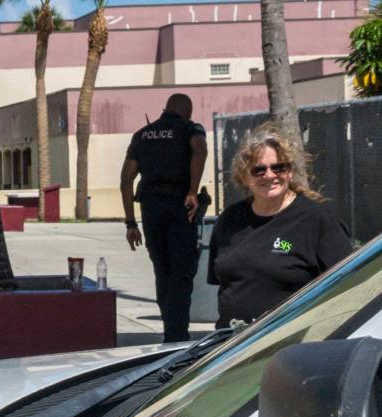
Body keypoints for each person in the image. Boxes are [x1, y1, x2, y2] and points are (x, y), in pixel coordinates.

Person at [208, 122, 351, 328]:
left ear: (290, 172)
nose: (270, 175)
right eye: (259, 170)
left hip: (290, 348)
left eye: (278, 167)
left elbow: (347, 286)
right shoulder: (229, 220)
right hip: (231, 346)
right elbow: (223, 283)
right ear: (244, 176)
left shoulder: (317, 220)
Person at [119, 93, 208, 343]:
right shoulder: (191, 128)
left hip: (151, 210)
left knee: (163, 272)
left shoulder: (142, 135)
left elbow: (126, 181)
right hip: (181, 207)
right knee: (181, 274)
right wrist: (193, 190)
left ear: (164, 109)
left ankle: (172, 332)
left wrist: (130, 223)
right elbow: (200, 150)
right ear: (188, 111)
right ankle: (176, 337)